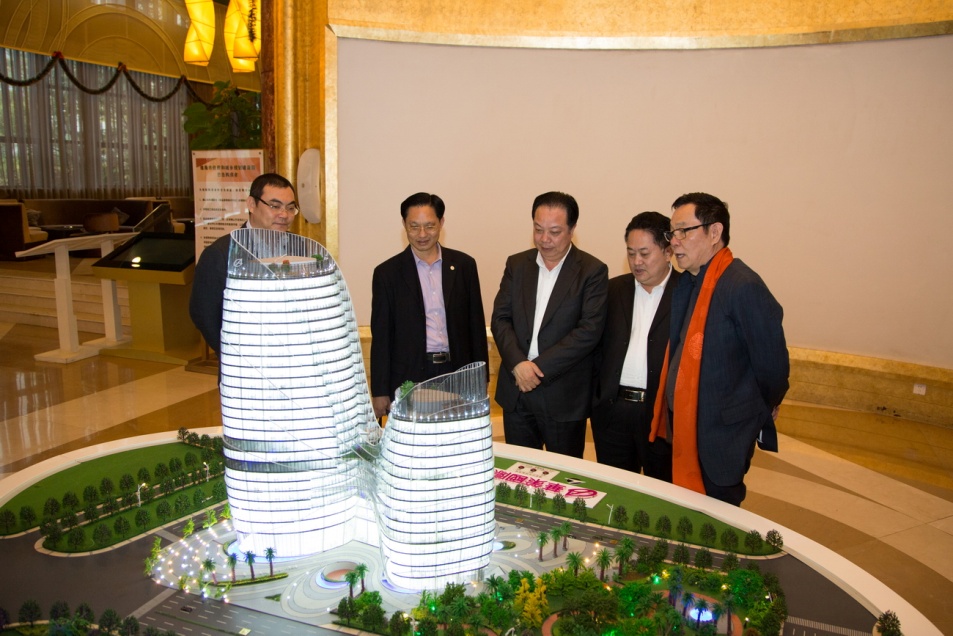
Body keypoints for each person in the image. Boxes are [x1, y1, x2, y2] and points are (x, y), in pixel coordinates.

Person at [652, 192, 789, 506]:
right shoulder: (689, 283)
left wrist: (764, 404)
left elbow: (773, 366)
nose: (674, 242)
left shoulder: (742, 286)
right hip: (685, 429)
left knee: (717, 520)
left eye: (683, 231)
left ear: (714, 232)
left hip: (721, 436)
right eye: (672, 233)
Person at [491, 191, 608, 458]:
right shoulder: (517, 264)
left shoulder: (592, 270)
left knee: (564, 475)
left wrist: (536, 369)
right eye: (538, 229)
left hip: (562, 394)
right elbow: (500, 318)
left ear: (572, 229)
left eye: (554, 232)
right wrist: (518, 364)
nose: (545, 239)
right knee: (519, 471)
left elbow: (588, 331)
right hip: (517, 388)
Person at [370, 192, 488, 419]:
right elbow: (382, 337)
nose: (422, 234)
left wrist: (480, 377)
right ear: (404, 225)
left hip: (457, 372)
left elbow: (475, 325)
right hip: (409, 375)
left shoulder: (464, 266)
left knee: (456, 435)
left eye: (429, 226)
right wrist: (380, 390)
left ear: (441, 223)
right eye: (414, 226)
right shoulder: (387, 274)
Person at [592, 212, 679, 480]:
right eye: (631, 253)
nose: (636, 261)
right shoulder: (612, 290)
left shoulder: (686, 293)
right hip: (613, 411)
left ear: (668, 252)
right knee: (615, 490)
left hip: (660, 415)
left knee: (661, 491)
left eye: (644, 253)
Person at [189, 173, 298, 355]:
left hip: (292, 355)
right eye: (275, 206)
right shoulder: (221, 253)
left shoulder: (300, 248)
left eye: (290, 208)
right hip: (244, 358)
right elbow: (203, 314)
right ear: (251, 204)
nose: (284, 215)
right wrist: (235, 352)